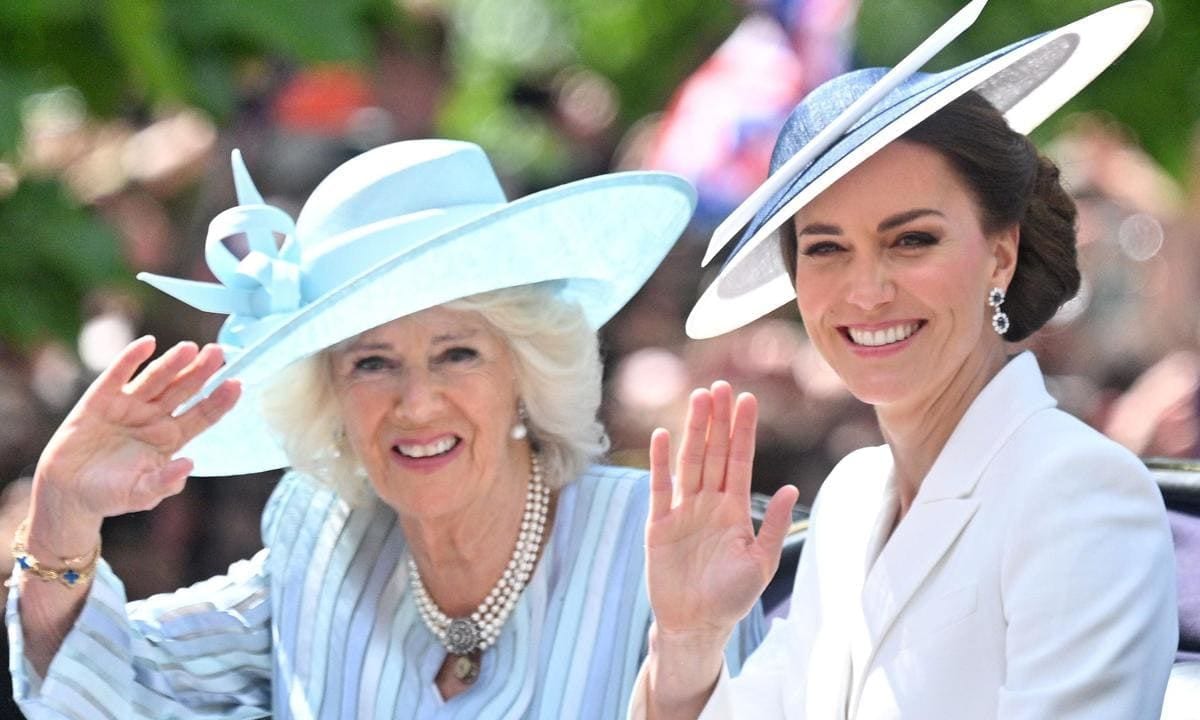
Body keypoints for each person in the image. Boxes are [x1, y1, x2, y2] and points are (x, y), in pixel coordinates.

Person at [5, 140, 764, 719]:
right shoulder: (322, 544)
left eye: (457, 353)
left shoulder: (662, 541)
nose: (417, 402)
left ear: (524, 372)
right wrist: (63, 515)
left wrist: (689, 650)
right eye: (372, 364)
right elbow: (109, 690)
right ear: (329, 395)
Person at [633, 2, 1178, 718]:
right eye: (826, 248)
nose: (866, 290)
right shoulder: (853, 498)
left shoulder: (1079, 492)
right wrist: (689, 638)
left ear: (1000, 254)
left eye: (911, 240)